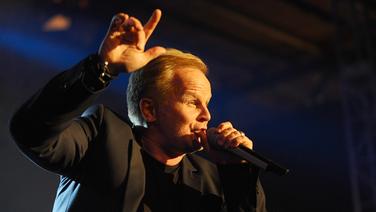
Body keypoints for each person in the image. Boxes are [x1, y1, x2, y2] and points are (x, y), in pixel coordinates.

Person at [10, 9, 267, 212]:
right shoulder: (103, 135)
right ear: (149, 109)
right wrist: (102, 68)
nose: (207, 115)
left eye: (207, 103)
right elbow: (31, 133)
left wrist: (237, 172)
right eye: (192, 101)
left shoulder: (212, 182)